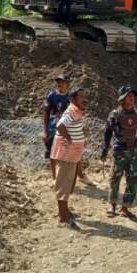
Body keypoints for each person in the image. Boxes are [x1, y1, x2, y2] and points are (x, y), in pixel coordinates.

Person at [101, 86, 137, 219]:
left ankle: (125, 207)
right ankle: (112, 205)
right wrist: (105, 149)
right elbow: (107, 132)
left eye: (133, 95)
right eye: (129, 95)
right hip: (120, 151)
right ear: (122, 98)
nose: (132, 97)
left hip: (134, 151)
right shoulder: (115, 114)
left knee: (134, 179)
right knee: (115, 178)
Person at [50, 87, 87, 228]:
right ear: (72, 99)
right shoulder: (72, 110)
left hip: (72, 155)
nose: (84, 98)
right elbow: (60, 126)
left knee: (68, 184)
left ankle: (65, 211)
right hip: (66, 154)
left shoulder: (77, 110)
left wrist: (80, 137)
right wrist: (70, 139)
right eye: (81, 96)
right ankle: (63, 218)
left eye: (85, 95)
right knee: (64, 186)